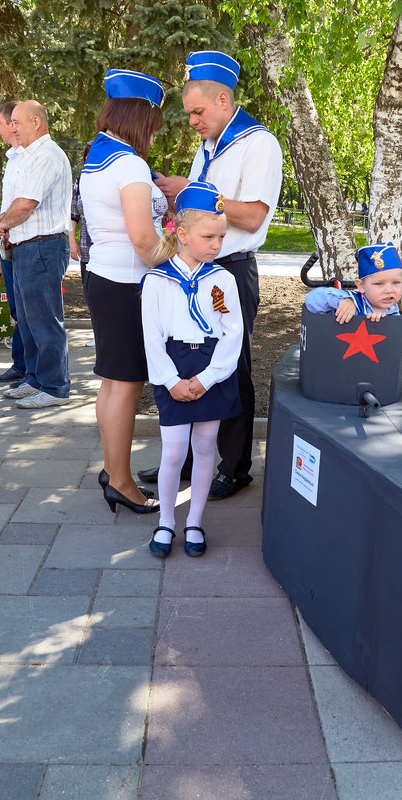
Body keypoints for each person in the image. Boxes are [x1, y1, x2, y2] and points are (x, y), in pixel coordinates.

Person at [139, 49, 283, 500]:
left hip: (229, 271)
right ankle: (185, 459)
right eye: (189, 114)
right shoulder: (211, 145)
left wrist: (191, 190)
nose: (193, 121)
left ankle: (235, 467)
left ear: (223, 99)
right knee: (188, 359)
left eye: (198, 111)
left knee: (231, 366)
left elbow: (255, 216)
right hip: (194, 269)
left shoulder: (258, 143)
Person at [79, 68, 167, 515]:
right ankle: (121, 481)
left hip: (105, 277)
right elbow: (142, 237)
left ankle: (113, 468)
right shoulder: (129, 163)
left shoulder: (100, 153)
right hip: (127, 282)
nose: (155, 131)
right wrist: (177, 264)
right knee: (126, 385)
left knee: (114, 382)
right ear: (141, 115)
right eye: (154, 122)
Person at [142, 181, 243, 557]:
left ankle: (195, 521)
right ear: (181, 234)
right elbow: (151, 338)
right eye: (209, 236)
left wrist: (206, 378)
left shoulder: (223, 280)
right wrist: (171, 381)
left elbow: (233, 333)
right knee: (172, 453)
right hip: (173, 366)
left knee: (204, 448)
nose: (217, 245)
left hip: (211, 368)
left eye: (221, 236)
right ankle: (166, 521)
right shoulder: (156, 280)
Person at [0, 100, 72, 409]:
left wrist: (0, 223)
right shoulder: (26, 156)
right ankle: (36, 379)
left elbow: (25, 205)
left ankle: (55, 386)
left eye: (17, 123)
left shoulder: (46, 156)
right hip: (26, 246)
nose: (12, 128)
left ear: (36, 122)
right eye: (10, 123)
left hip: (42, 245)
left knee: (44, 320)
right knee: (27, 320)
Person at [0, 101, 26, 386]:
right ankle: (22, 365)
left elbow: (26, 205)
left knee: (30, 312)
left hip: (27, 243)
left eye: (1, 123)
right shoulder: (13, 158)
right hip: (9, 243)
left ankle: (33, 372)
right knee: (16, 310)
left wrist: (0, 224)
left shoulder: (30, 157)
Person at [304, 242, 402, 323]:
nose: (389, 290)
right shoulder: (353, 302)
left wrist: (382, 323)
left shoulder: (394, 313)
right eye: (379, 284)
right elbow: (312, 300)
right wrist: (343, 301)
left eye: (396, 282)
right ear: (361, 286)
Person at [68, 141, 94, 346]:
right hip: (86, 249)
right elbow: (73, 214)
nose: (89, 159)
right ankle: (98, 333)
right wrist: (72, 241)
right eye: (86, 156)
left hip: (108, 251)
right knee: (90, 294)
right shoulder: (81, 181)